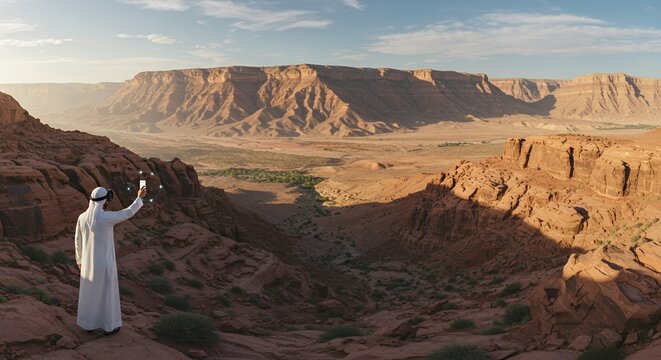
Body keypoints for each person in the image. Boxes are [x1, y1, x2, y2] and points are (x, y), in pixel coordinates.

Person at [75, 185, 146, 335]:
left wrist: (80, 261)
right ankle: (109, 326)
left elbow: (77, 241)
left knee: (90, 294)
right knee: (107, 295)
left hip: (88, 265)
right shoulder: (105, 218)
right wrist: (139, 197)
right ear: (104, 202)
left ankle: (89, 324)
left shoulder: (82, 217)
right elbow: (127, 213)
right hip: (104, 264)